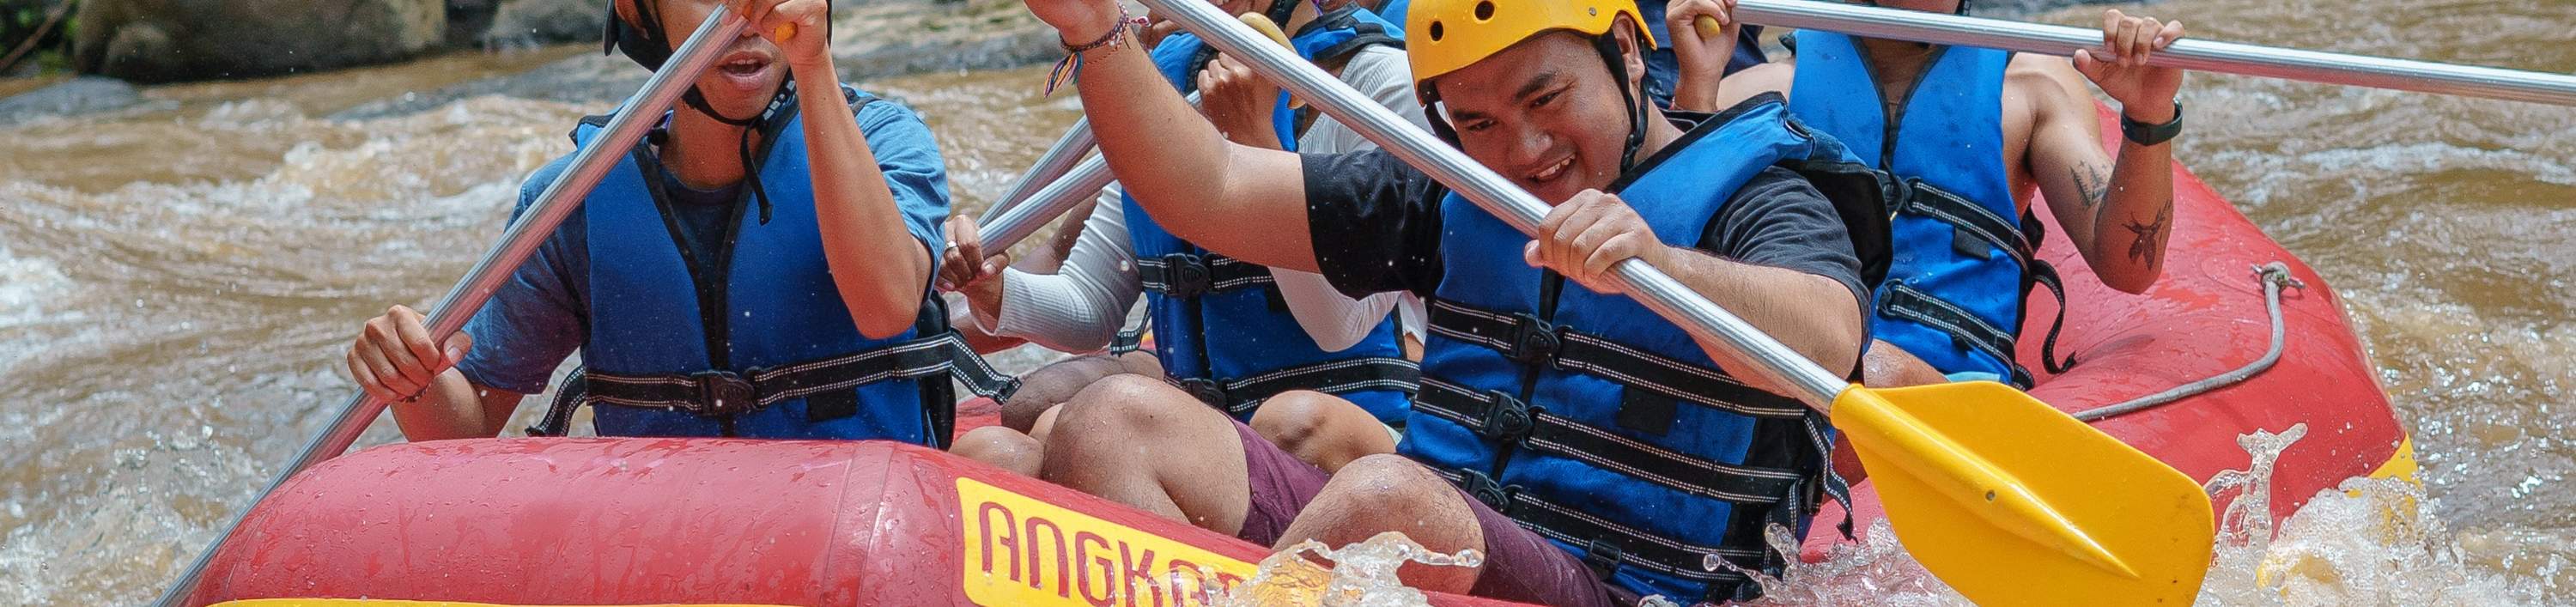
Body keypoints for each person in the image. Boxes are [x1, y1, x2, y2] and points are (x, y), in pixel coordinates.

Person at [1016, 0, 1891, 602]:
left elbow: (1824, 340)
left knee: (1388, 499)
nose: (1524, 147)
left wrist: (1665, 264)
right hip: (1454, 536)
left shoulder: (1763, 192)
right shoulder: (1456, 193)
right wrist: (1096, 33)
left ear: (1626, 52)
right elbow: (1207, 187)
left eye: (1544, 97)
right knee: (1116, 418)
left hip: (1629, 584)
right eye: (1477, 122)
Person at [343, 0, 1006, 443]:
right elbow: (470, 422)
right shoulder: (573, 199)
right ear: (641, 12)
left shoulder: (886, 141)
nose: (744, 20)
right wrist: (412, 379)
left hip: (851, 524)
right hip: (668, 539)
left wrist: (814, 61)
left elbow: (887, 306)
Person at [943, 0, 1428, 476]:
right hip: (1217, 436)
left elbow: (1339, 325)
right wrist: (989, 288)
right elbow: (1090, 309)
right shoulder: (1161, 85)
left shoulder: (1378, 82)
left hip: (1343, 432)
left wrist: (1258, 141)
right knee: (997, 449)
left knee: (1292, 427)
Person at [1670, 0, 2185, 387]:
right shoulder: (1760, 93)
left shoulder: (2029, 85)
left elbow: (2129, 267)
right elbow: (1675, 253)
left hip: (1959, 406)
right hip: (1801, 383)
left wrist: (2149, 116)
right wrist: (1696, 86)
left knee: (1875, 372)